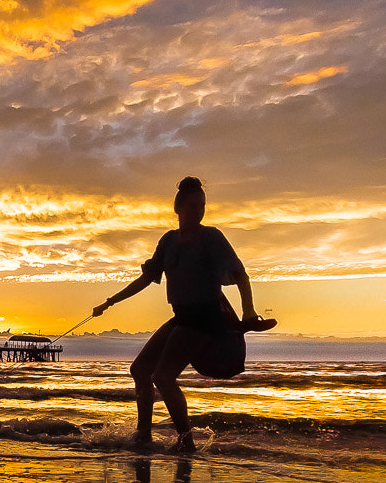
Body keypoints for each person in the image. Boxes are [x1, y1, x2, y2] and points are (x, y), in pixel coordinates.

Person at [91, 176, 271, 452]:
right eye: (193, 205)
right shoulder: (169, 241)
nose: (198, 211)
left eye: (202, 206)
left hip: (205, 317)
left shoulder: (211, 237)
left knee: (162, 377)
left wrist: (248, 313)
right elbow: (146, 279)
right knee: (140, 369)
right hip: (181, 316)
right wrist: (110, 302)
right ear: (178, 208)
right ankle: (144, 434)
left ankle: (186, 442)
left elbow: (240, 275)